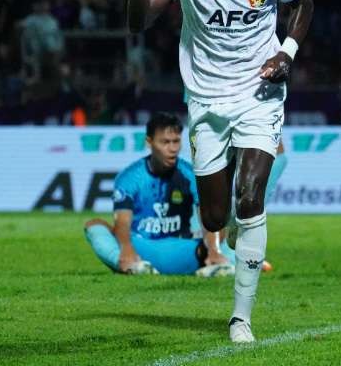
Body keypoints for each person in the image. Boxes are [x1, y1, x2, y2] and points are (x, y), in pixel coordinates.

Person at [128, 0, 314, 344]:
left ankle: (240, 318)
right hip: (207, 101)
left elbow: (304, 3)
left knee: (251, 198)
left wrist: (287, 52)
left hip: (260, 92)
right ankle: (229, 225)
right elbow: (139, 21)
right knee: (213, 218)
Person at [83, 112, 231, 277]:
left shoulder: (190, 175)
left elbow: (208, 219)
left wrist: (213, 249)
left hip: (181, 248)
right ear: (149, 142)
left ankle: (134, 268)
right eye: (165, 142)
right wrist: (127, 249)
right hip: (140, 248)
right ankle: (131, 264)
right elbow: (122, 224)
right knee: (94, 225)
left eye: (176, 141)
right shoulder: (129, 177)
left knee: (221, 226)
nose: (173, 149)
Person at [234, 0, 288, 200]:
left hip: (254, 74)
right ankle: (237, 212)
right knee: (217, 158)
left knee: (275, 153)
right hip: (225, 76)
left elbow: (300, 1)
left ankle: (244, 212)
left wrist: (284, 51)